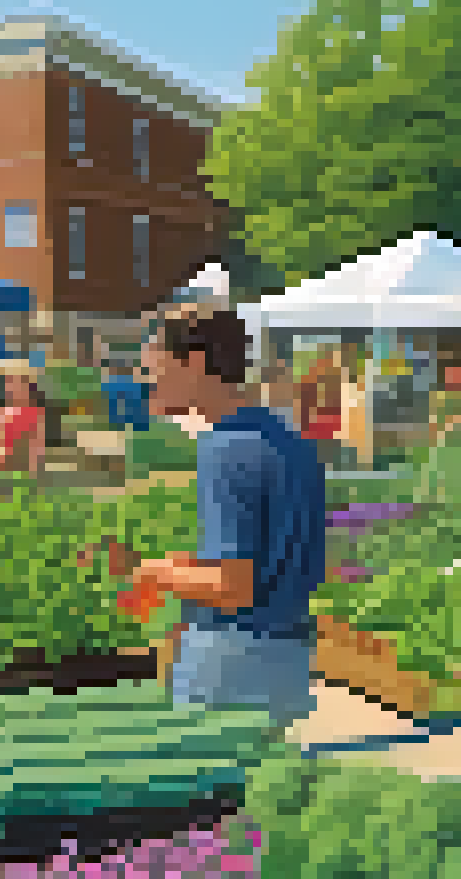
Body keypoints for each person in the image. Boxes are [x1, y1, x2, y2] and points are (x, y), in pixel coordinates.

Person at [129, 306, 327, 733]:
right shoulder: (290, 440)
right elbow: (280, 558)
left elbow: (233, 588)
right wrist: (194, 565)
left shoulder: (226, 446)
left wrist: (153, 572)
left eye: (154, 367)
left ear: (195, 362)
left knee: (203, 797)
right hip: (288, 660)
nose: (147, 381)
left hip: (229, 662)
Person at [0, 358, 48, 483]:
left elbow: (36, 443)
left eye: (17, 383)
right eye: (8, 383)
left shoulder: (35, 412)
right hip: (8, 464)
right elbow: (0, 442)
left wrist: (34, 468)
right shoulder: (3, 411)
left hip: (26, 464)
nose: (11, 389)